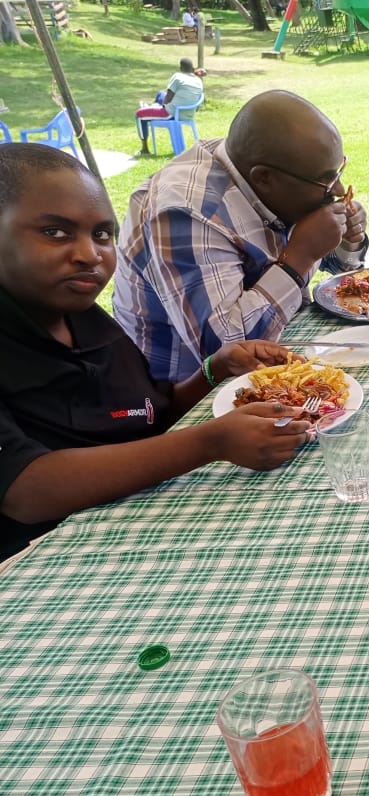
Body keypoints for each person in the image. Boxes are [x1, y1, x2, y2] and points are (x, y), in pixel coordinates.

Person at [0, 144, 312, 562]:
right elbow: (26, 491)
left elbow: (143, 419)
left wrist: (213, 373)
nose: (89, 255)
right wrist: (210, 442)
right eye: (55, 232)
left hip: (140, 520)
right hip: (39, 559)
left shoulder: (86, 322)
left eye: (102, 234)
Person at [114, 90, 369, 383]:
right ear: (264, 177)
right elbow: (230, 353)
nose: (338, 191)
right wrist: (299, 257)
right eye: (326, 180)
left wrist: (348, 239)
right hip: (186, 399)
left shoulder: (273, 178)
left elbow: (337, 270)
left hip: (285, 348)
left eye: (338, 172)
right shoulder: (186, 214)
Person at [134, 57, 204, 156]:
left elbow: (168, 97)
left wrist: (162, 106)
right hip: (188, 113)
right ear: (192, 68)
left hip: (171, 113)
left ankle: (144, 149)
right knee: (160, 94)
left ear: (180, 68)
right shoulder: (198, 80)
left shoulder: (178, 77)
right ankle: (152, 106)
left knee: (139, 114)